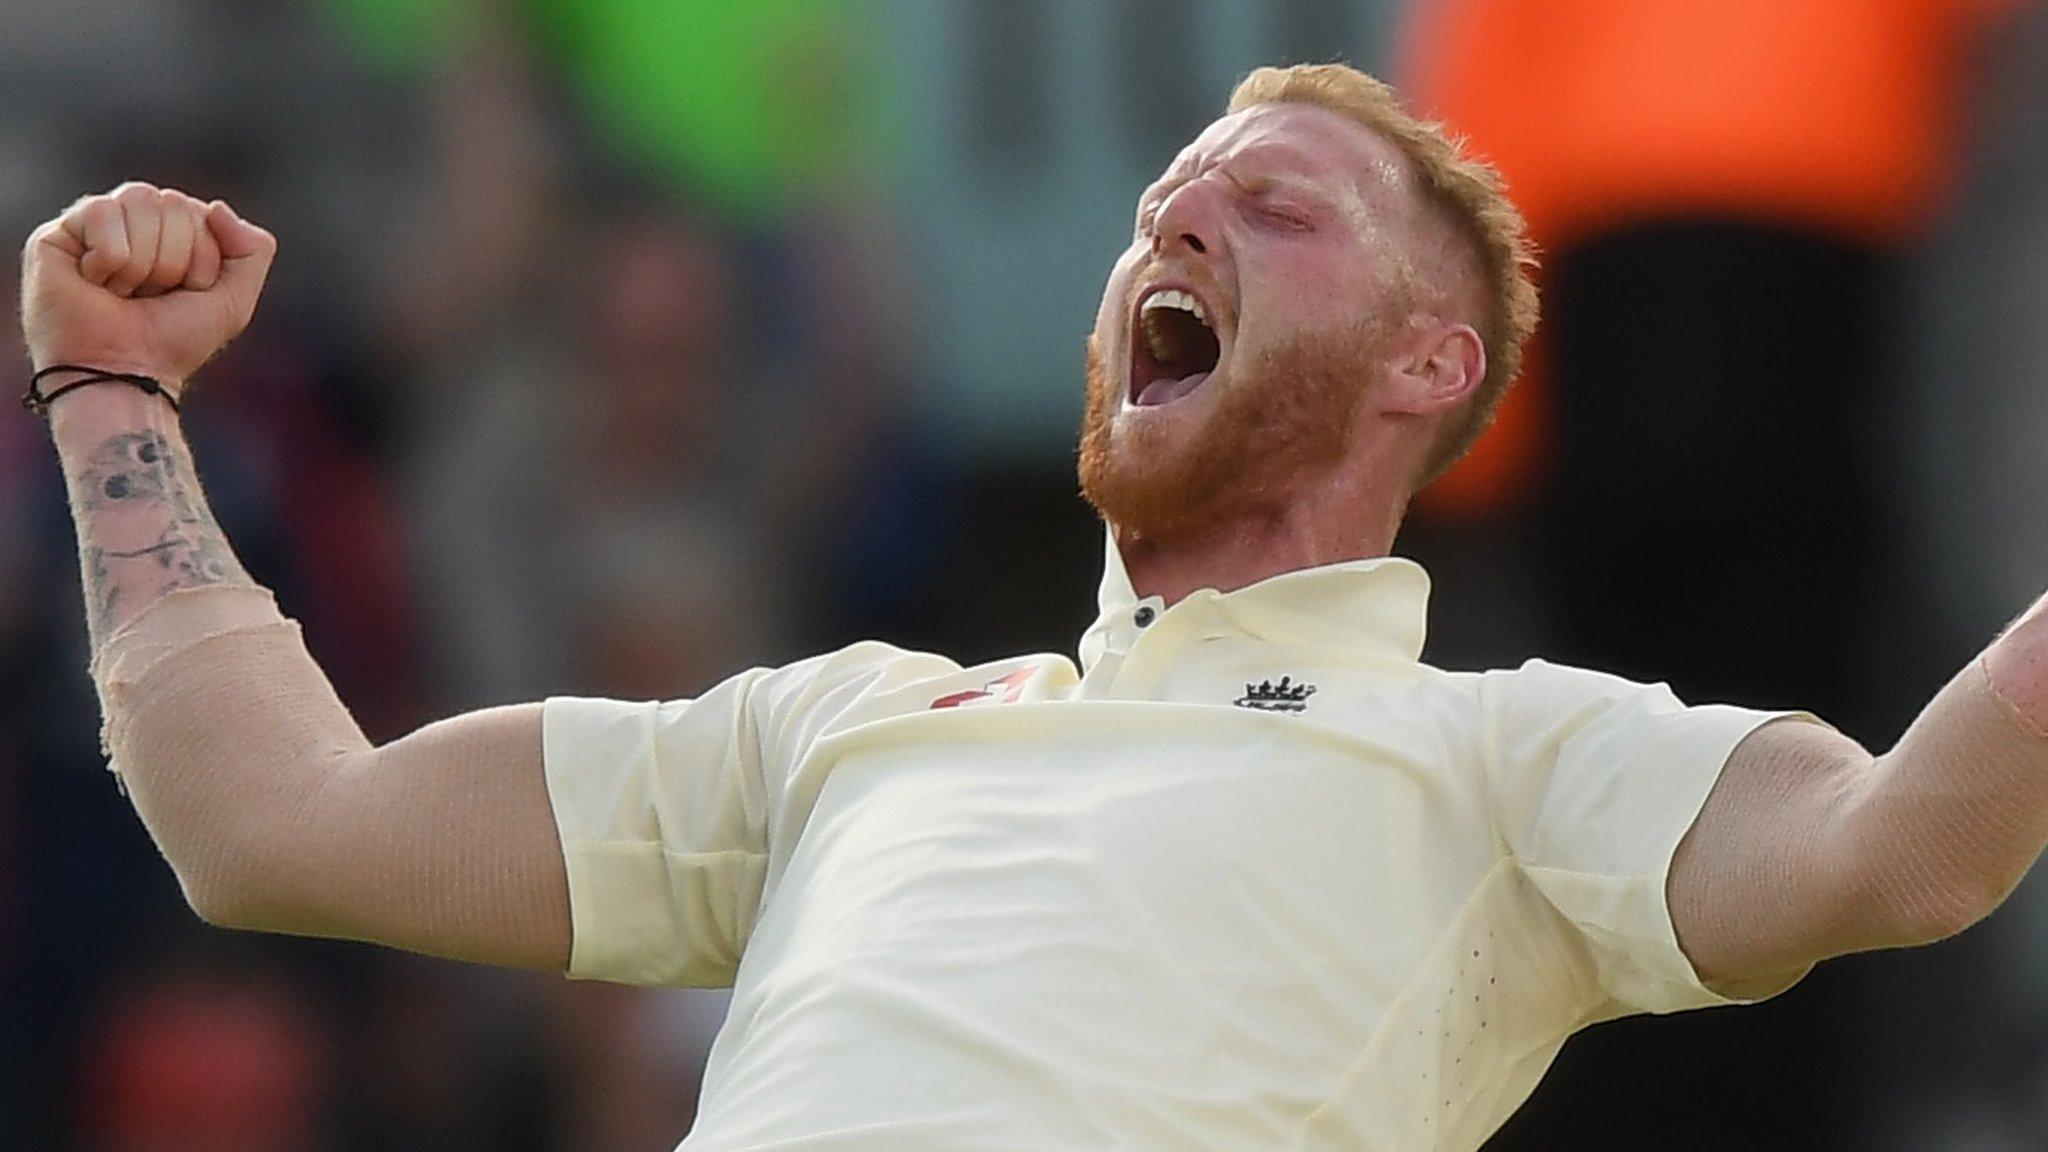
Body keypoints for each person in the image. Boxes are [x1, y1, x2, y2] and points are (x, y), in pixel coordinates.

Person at [19, 64, 2048, 1152]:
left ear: (1432, 366)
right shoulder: (835, 724)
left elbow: (1902, 847)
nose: (1178, 217)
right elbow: (271, 824)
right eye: (1173, 195)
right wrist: (109, 394)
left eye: (1277, 208)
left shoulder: (1514, 749)